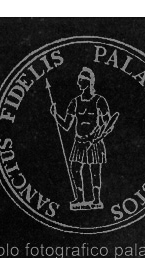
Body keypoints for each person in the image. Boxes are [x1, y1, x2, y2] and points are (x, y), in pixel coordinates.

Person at [50, 67, 116, 210]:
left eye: (81, 80)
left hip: (94, 142)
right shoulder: (74, 102)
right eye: (78, 80)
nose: (78, 83)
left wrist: (99, 136)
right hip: (79, 141)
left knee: (95, 170)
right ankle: (80, 198)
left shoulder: (99, 101)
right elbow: (67, 125)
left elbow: (108, 124)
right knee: (75, 168)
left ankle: (96, 199)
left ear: (88, 82)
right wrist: (55, 115)